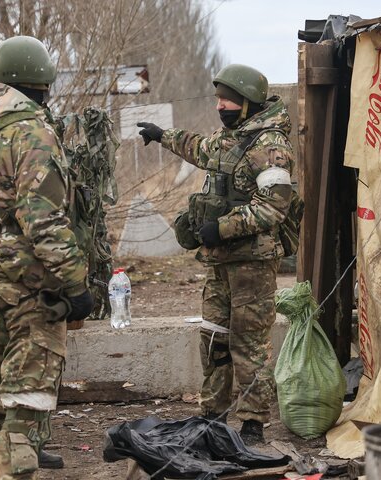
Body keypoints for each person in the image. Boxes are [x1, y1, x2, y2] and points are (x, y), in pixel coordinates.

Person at [0, 36, 93, 479]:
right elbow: (44, 222)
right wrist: (76, 284)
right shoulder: (32, 132)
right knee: (25, 404)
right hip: (30, 287)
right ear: (40, 82)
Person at [137, 64, 294, 445]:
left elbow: (273, 208)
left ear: (246, 102)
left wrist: (220, 228)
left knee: (249, 342)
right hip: (220, 262)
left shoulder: (270, 147)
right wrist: (161, 136)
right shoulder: (230, 138)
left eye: (227, 99)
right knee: (214, 338)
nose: (220, 105)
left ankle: (254, 421)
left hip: (252, 264)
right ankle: (212, 413)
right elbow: (198, 148)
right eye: (219, 98)